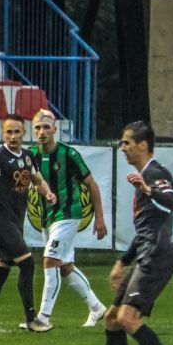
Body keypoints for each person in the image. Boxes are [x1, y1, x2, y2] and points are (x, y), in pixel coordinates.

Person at [92, 121, 173, 345]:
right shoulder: (145, 176)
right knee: (112, 319)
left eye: (127, 142)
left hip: (158, 255)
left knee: (127, 318)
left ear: (143, 145)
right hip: (147, 252)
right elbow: (146, 228)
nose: (122, 147)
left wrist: (148, 190)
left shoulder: (155, 173)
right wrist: (123, 261)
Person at [25, 109, 109, 330]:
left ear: (54, 129)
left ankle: (43, 318)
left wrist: (99, 218)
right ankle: (97, 307)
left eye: (46, 127)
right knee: (64, 267)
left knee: (50, 260)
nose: (42, 132)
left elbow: (92, 185)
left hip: (69, 214)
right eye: (37, 128)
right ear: (33, 130)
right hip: (47, 217)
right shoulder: (30, 155)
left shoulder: (69, 154)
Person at [0, 115, 56, 333]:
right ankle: (32, 320)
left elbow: (37, 180)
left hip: (16, 220)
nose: (12, 136)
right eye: (8, 132)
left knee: (0, 271)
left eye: (16, 132)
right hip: (0, 220)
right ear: (3, 134)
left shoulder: (28, 156)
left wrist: (48, 193)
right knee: (27, 264)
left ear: (24, 133)